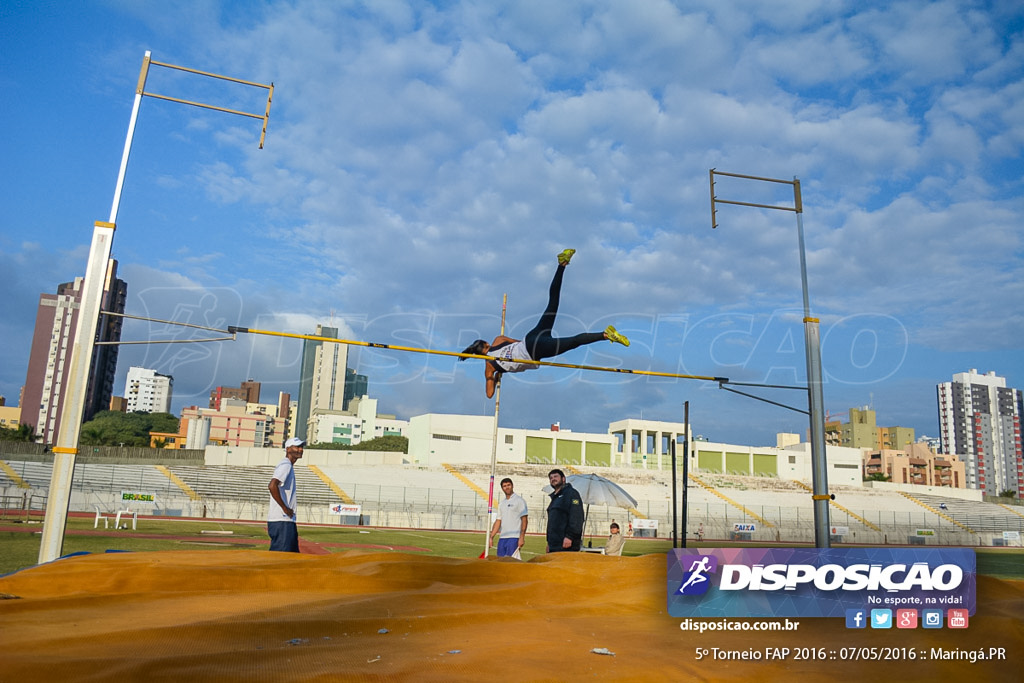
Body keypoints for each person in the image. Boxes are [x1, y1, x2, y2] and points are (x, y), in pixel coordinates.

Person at [460, 249, 630, 398]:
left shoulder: (489, 367)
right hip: (531, 337)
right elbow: (517, 342)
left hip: (534, 350)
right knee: (553, 303)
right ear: (487, 344)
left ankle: (606, 334)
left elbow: (489, 395)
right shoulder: (498, 339)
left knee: (573, 342)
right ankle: (562, 263)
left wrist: (495, 376)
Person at [267, 436, 304, 552]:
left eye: (301, 447)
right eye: (297, 447)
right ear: (288, 449)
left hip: (286, 521)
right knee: (280, 560)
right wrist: (285, 508)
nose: (300, 449)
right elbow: (272, 485)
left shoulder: (288, 466)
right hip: (282, 521)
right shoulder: (286, 465)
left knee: (292, 559)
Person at [545, 468, 584, 552]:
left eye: (556, 476)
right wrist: (549, 542)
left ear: (563, 479)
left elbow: (576, 517)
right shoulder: (554, 497)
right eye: (551, 478)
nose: (553, 479)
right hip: (554, 543)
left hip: (566, 543)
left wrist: (570, 537)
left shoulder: (572, 494)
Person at [489, 477, 528, 557]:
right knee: (501, 563)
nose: (507, 487)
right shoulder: (501, 504)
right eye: (504, 486)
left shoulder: (519, 501)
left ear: (512, 486)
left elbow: (524, 519)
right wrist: (491, 537)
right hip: (503, 538)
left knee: (511, 563)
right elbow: (498, 521)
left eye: (508, 485)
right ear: (502, 488)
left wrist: (522, 536)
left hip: (514, 537)